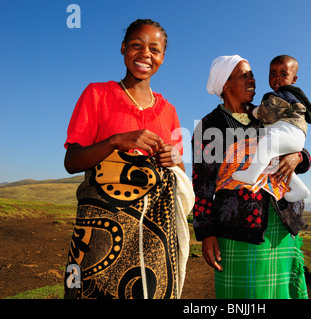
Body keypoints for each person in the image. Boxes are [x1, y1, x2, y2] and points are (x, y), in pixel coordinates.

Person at [63, 19, 193, 299]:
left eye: (154, 49)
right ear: (123, 48)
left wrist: (174, 158)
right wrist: (115, 141)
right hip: (100, 233)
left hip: (153, 241)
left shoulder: (169, 111)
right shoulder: (97, 94)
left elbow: (179, 178)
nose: (145, 54)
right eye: (137, 45)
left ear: (162, 58)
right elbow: (72, 161)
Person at [192, 55, 311, 299]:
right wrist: (206, 232)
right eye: (244, 75)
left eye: (252, 74)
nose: (253, 79)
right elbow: (203, 184)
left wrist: (299, 157)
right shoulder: (210, 126)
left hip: (281, 223)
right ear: (226, 85)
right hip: (238, 227)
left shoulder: (266, 114)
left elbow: (294, 136)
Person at [232, 55, 311, 202]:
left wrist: (251, 112)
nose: (277, 78)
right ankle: (300, 189)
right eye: (272, 74)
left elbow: (266, 114)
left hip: (287, 131)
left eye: (283, 75)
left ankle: (251, 175)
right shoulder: (289, 95)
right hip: (291, 135)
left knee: (267, 144)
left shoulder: (283, 95)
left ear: (294, 79)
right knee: (274, 162)